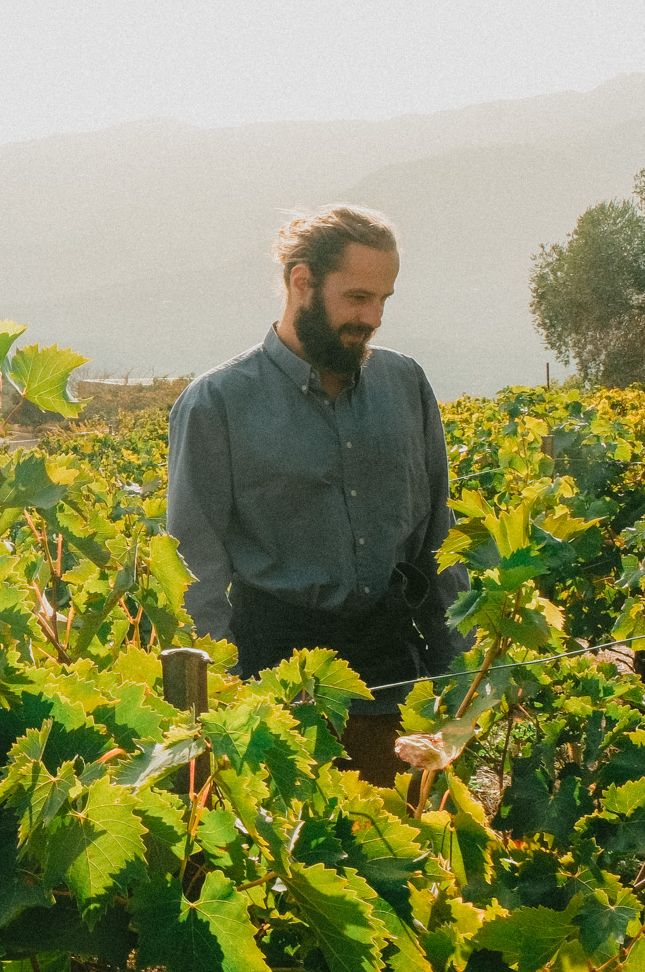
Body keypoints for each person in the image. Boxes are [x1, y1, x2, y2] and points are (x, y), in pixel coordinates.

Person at [166, 206, 466, 785]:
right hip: (277, 709)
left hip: (397, 698)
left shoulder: (406, 385)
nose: (373, 318)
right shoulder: (216, 404)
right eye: (357, 298)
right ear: (300, 281)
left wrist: (459, 683)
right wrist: (225, 708)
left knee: (403, 841)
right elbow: (194, 573)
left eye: (383, 300)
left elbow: (440, 543)